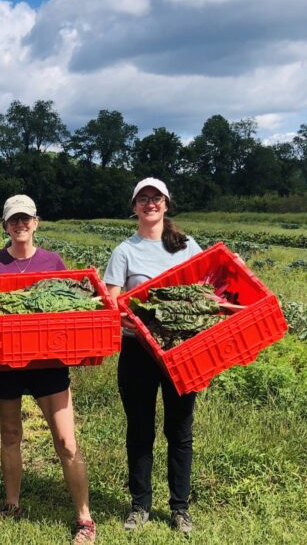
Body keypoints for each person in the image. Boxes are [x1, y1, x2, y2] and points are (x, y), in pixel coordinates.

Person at [0, 194, 96, 544]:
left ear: (36, 223)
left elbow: (71, 312)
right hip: (6, 360)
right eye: (14, 220)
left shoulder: (53, 261)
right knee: (10, 435)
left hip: (48, 362)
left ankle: (84, 519)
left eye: (26, 219)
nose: (20, 225)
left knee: (66, 441)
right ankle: (12, 505)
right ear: (5, 225)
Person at [103, 178, 203, 535]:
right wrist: (132, 314)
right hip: (139, 350)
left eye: (156, 198)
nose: (150, 204)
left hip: (181, 350)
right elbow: (111, 301)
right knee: (140, 429)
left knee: (179, 430)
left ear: (166, 204)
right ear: (134, 206)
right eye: (143, 199)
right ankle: (140, 505)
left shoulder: (187, 246)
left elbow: (206, 289)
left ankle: (180, 508)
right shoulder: (124, 251)